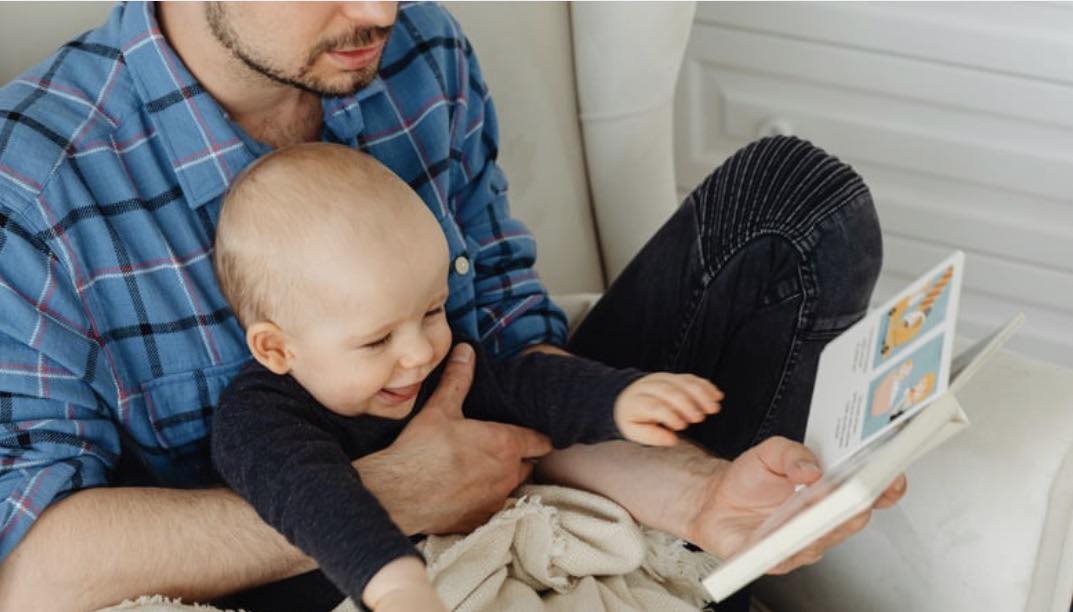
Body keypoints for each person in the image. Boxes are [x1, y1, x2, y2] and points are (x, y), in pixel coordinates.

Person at [0, 3, 905, 611]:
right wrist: (395, 499)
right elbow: (28, 566)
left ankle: (715, 555)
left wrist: (700, 496)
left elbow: (509, 354)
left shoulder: (418, 54)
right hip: (293, 577)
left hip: (508, 474)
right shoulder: (34, 182)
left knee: (793, 202)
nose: (380, 12)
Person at [209, 143, 726, 611]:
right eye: (377, 340)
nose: (419, 353)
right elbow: (316, 499)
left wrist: (619, 400)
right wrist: (393, 583)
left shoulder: (436, 372)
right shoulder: (257, 422)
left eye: (433, 311)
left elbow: (526, 386)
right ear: (277, 347)